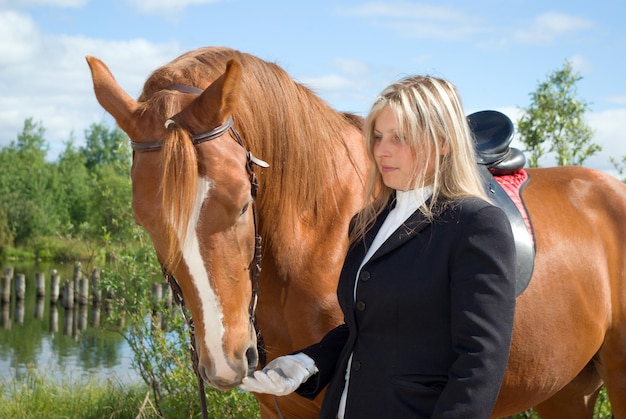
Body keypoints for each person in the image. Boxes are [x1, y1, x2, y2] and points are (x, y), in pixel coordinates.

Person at [240, 75, 517, 418]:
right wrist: (308, 361)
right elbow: (368, 327)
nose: (381, 150)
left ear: (443, 142)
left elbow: (480, 361)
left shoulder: (475, 224)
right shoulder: (367, 222)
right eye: (377, 136)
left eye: (399, 137)